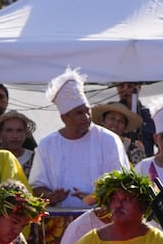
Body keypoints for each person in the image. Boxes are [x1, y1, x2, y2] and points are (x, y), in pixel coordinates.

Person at [28, 67, 127, 209]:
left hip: (101, 217)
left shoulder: (109, 140)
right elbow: (37, 187)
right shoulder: (47, 144)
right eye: (79, 113)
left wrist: (94, 197)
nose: (86, 117)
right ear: (64, 118)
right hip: (59, 218)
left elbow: (121, 183)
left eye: (87, 110)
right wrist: (50, 196)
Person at [115, 81, 156, 156]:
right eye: (121, 86)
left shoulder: (149, 115)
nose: (125, 89)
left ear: (139, 87)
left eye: (130, 86)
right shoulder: (111, 115)